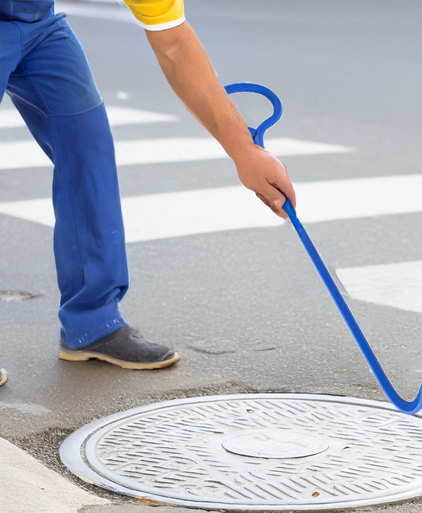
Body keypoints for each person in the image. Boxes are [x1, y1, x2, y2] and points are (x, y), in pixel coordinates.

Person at [0, 0, 296, 385]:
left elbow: (174, 44)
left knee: (86, 146)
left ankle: (92, 323)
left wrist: (244, 150)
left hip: (36, 22)